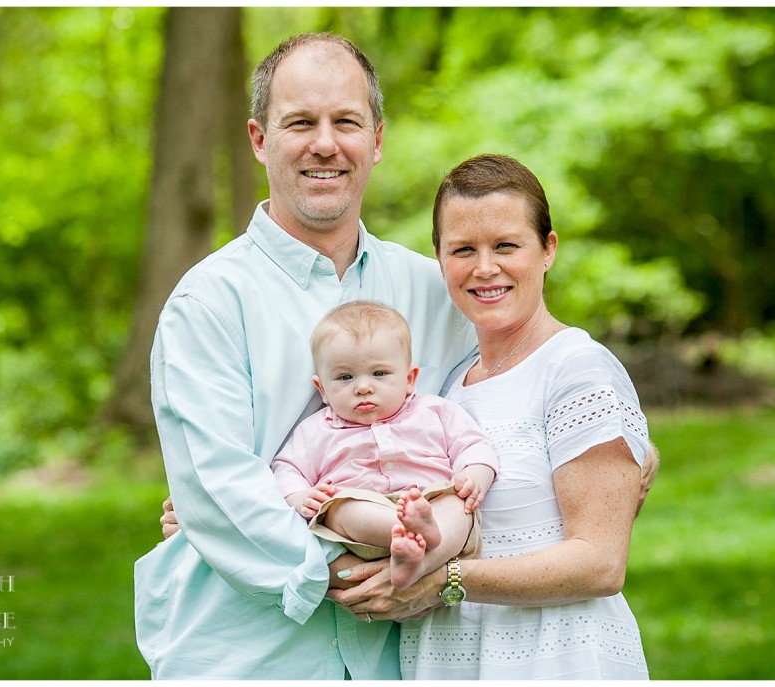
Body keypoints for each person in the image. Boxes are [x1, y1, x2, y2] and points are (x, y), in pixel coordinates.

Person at [133, 33, 480, 679]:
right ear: (260, 139)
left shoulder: (433, 292)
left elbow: (506, 404)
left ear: (376, 140)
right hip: (249, 657)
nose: (326, 143)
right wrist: (354, 570)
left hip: (397, 664)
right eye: (300, 122)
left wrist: (602, 432)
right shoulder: (208, 301)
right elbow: (218, 487)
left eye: (346, 121)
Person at [328, 153, 652, 679]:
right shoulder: (445, 387)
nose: (484, 268)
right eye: (463, 249)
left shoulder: (576, 368)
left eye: (506, 245)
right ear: (439, 259)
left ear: (547, 250)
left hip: (557, 659)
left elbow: (600, 563)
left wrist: (446, 580)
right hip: (450, 662)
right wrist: (236, 508)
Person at [271, 300, 499, 590]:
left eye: (379, 374)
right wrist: (299, 496)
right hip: (366, 524)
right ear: (322, 390)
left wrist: (476, 473)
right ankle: (404, 535)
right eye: (345, 377)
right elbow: (286, 467)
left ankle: (419, 555)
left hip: (429, 503)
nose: (363, 387)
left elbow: (473, 443)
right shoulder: (317, 429)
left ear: (409, 379)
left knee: (459, 504)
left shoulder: (434, 411)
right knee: (340, 509)